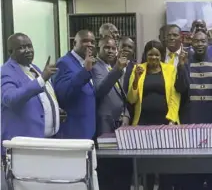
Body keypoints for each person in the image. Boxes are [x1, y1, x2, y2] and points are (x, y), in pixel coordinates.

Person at [175, 31, 212, 190]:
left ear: (208, 42)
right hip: (190, 119)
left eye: (203, 41)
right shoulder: (185, 63)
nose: (199, 44)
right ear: (192, 43)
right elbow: (180, 89)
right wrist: (181, 68)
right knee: (192, 164)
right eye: (196, 41)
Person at [127, 40, 180, 190]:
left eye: (157, 55)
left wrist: (172, 119)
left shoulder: (170, 69)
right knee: (147, 164)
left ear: (161, 55)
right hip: (143, 122)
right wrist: (136, 80)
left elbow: (175, 98)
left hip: (165, 122)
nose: (154, 58)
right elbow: (131, 99)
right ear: (145, 55)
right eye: (150, 54)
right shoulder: (138, 69)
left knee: (165, 162)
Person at [1, 33, 59, 152]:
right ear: (10, 52)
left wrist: (53, 110)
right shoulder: (5, 72)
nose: (28, 50)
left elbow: (40, 98)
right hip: (22, 146)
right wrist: (42, 79)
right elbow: (10, 99)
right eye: (21, 48)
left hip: (45, 142)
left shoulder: (34, 68)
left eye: (29, 46)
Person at [93, 36, 132, 190]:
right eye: (106, 48)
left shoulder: (112, 67)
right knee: (108, 172)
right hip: (105, 125)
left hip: (119, 124)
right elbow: (100, 91)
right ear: (98, 49)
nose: (110, 51)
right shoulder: (96, 67)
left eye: (113, 48)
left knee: (122, 170)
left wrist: (126, 115)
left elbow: (123, 97)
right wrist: (117, 69)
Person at [53, 30, 96, 139]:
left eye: (92, 42)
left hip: (87, 129)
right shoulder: (63, 63)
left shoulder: (87, 63)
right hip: (73, 131)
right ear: (74, 43)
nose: (90, 44)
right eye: (85, 41)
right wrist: (85, 71)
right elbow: (63, 95)